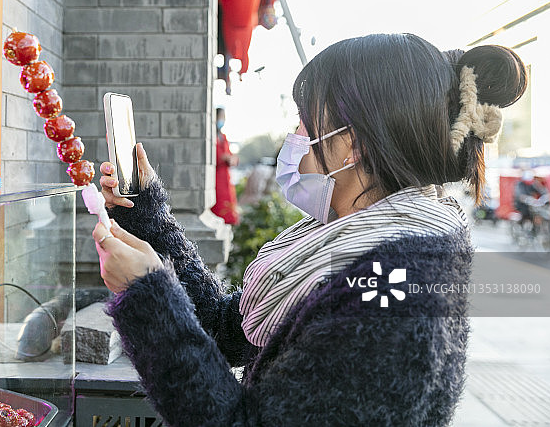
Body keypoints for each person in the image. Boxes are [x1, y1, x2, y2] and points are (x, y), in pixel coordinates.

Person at [91, 34, 526, 426]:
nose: (293, 138)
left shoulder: (391, 294)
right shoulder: (363, 241)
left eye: (304, 123)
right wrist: (146, 212)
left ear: (353, 144)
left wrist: (148, 296)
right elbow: (227, 328)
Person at [211, 107, 240, 224]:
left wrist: (233, 159)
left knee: (229, 206)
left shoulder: (223, 137)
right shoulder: (211, 136)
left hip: (226, 177)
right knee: (219, 206)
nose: (222, 120)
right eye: (221, 117)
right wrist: (224, 157)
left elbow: (229, 154)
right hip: (216, 178)